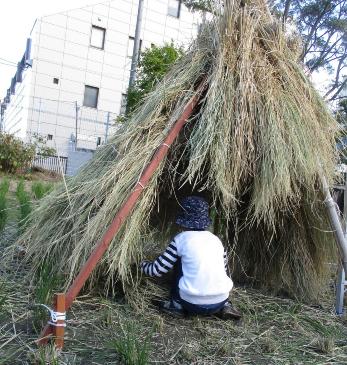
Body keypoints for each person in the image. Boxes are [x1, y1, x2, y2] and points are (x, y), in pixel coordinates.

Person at [140, 196, 241, 320]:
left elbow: (157, 270)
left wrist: (142, 264)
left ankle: (176, 305)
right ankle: (226, 306)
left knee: (179, 262)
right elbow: (225, 270)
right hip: (220, 300)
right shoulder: (216, 240)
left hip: (191, 303)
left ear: (183, 219)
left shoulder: (181, 239)